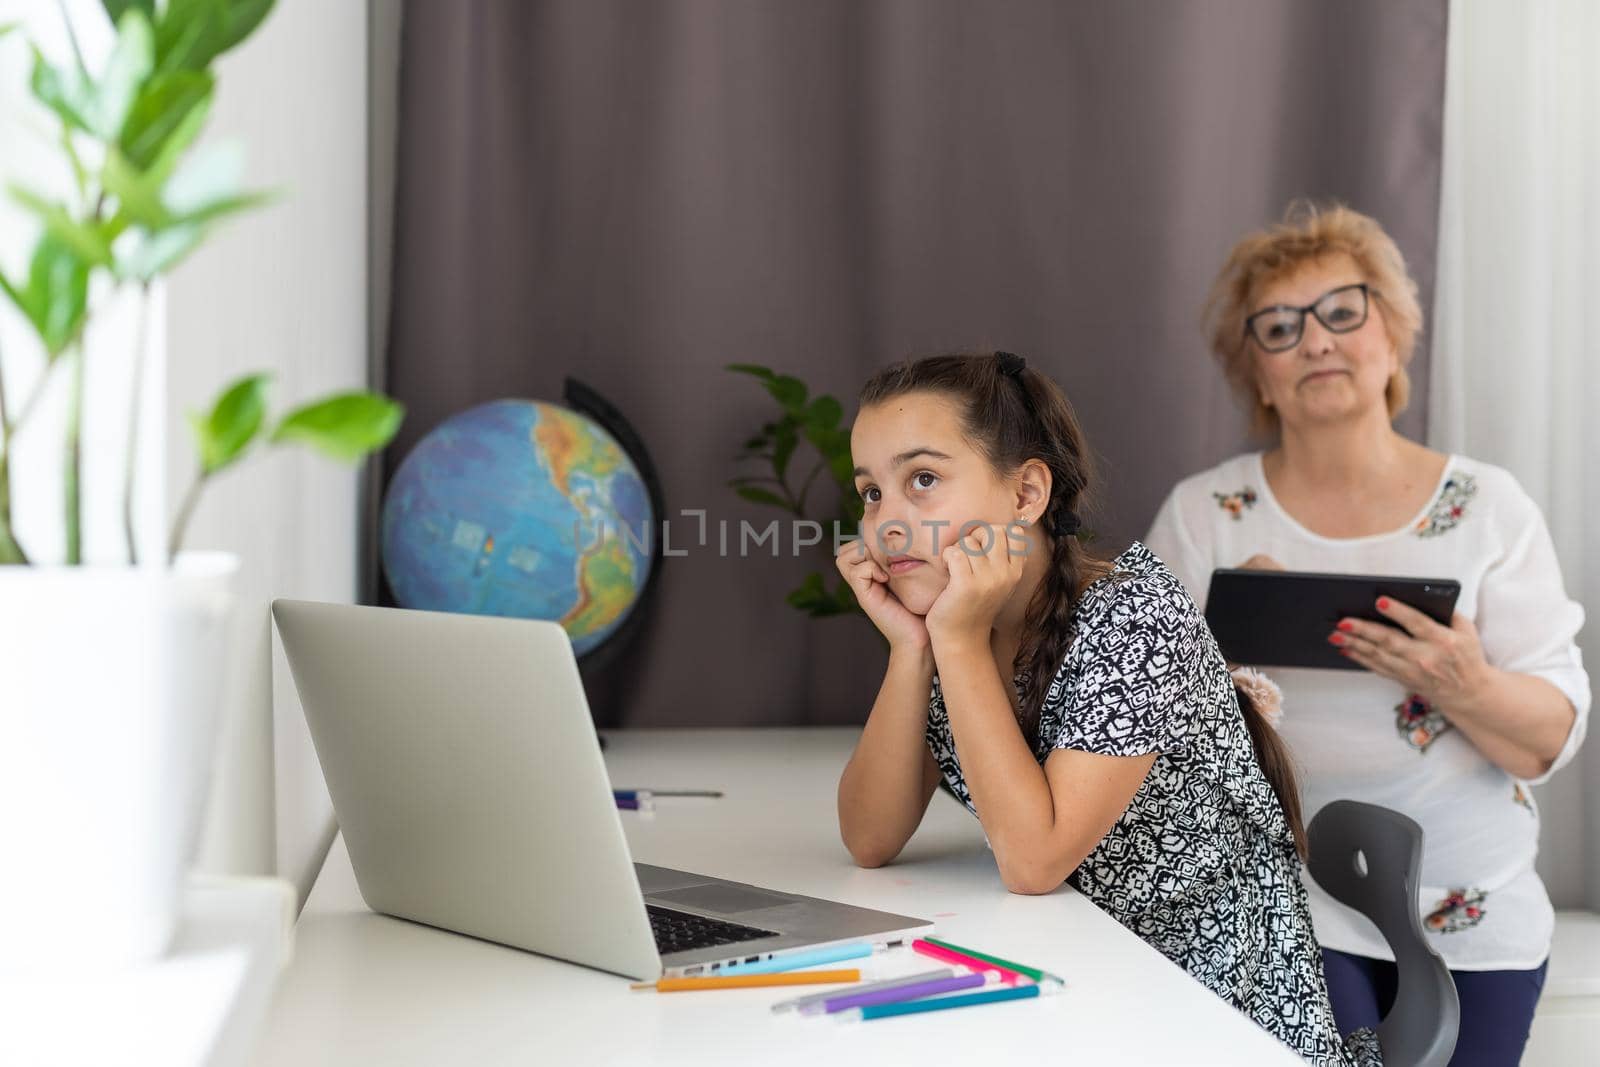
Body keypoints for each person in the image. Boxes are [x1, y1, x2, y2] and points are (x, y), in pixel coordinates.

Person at [837, 351, 1378, 1065]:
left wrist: (956, 642)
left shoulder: (1132, 614)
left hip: (1211, 1002)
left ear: (1027, 492)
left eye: (924, 480)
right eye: (872, 492)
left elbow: (1033, 861)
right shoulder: (957, 623)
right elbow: (870, 836)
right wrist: (912, 649)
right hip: (1082, 972)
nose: (889, 521)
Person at [1145, 203, 1590, 1066]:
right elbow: (1129, 731)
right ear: (1257, 374)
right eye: (1280, 326)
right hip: (1280, 903)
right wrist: (1216, 667)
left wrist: (1466, 680)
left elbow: (1549, 739)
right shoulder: (1205, 516)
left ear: (1392, 339)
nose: (1315, 341)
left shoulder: (1489, 508)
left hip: (1475, 912)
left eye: (1342, 312)